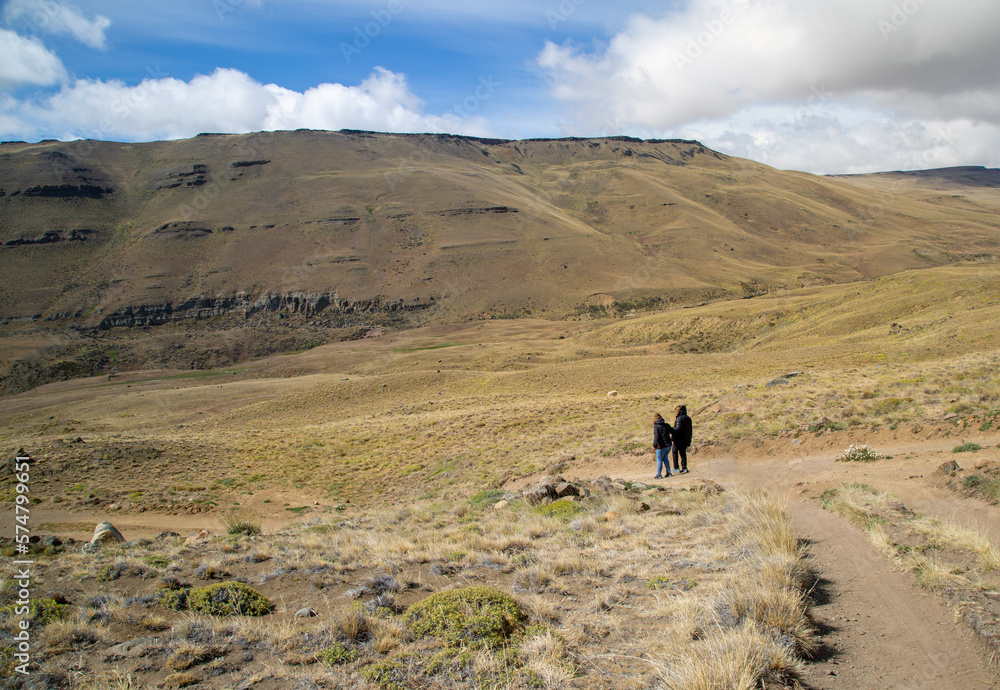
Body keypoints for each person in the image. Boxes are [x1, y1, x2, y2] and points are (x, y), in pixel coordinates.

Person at [672, 405, 693, 474]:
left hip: (678, 439)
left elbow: (677, 429)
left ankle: (676, 467)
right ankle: (684, 467)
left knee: (674, 451)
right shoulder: (688, 418)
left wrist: (671, 430)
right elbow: (690, 430)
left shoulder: (679, 418)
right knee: (683, 453)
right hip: (685, 438)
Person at [652, 413, 674, 478]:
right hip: (668, 445)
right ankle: (669, 472)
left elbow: (656, 437)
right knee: (665, 458)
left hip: (661, 446)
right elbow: (673, 431)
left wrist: (654, 445)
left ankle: (659, 474)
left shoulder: (656, 427)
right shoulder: (666, 425)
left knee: (659, 459)